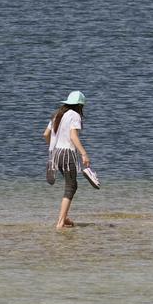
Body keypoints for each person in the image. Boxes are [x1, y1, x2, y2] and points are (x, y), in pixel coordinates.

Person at [44, 91, 91, 229]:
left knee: (71, 185)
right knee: (71, 186)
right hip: (67, 154)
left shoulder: (57, 115)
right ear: (79, 106)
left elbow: (45, 134)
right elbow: (73, 137)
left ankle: (64, 218)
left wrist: (54, 148)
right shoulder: (75, 115)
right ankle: (60, 222)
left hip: (55, 154)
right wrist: (84, 154)